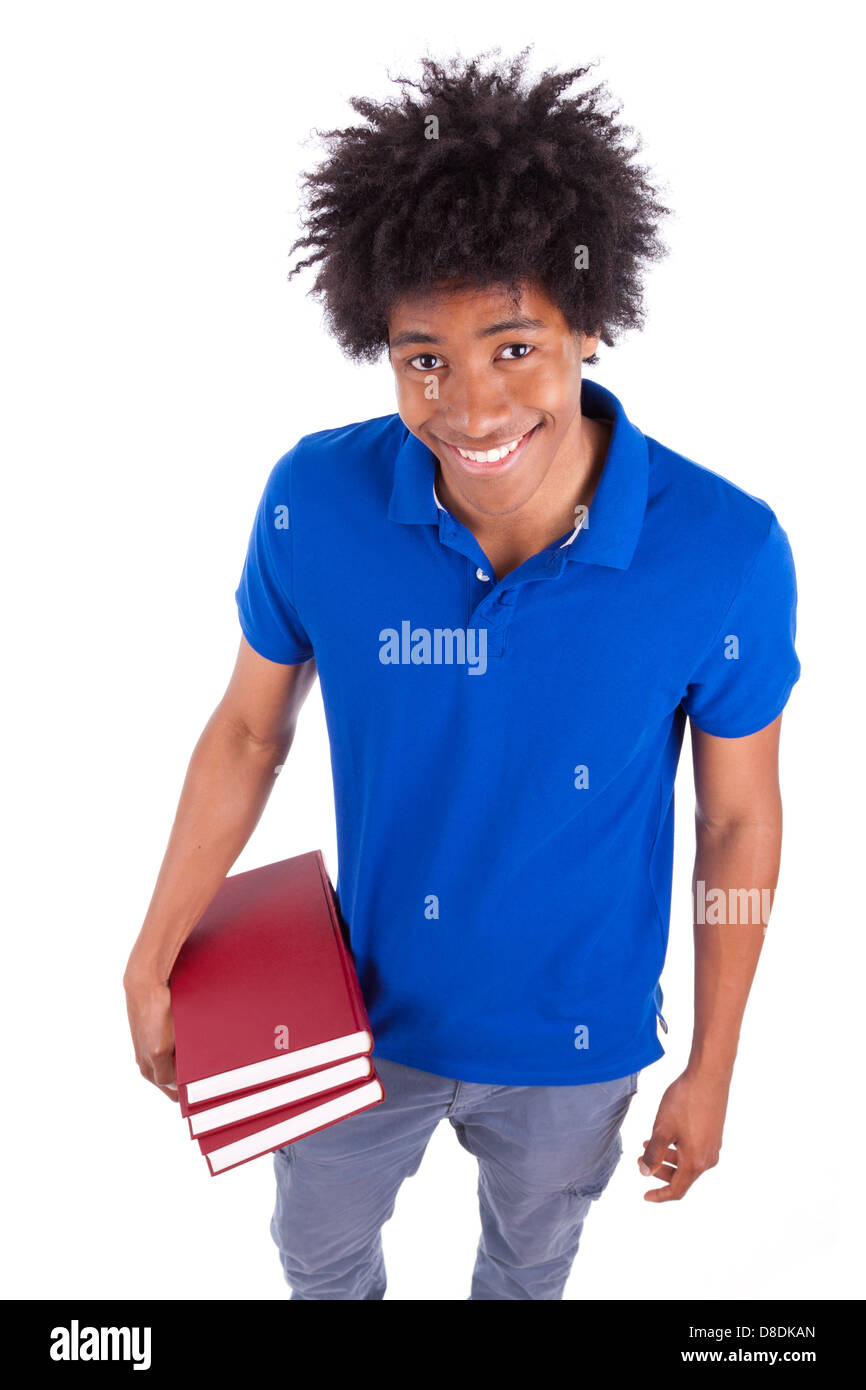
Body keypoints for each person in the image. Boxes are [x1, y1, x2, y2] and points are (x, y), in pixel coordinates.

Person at [123, 50, 801, 1300]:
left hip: (575, 1038)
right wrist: (154, 948)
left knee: (528, 1269)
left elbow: (738, 816)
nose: (469, 405)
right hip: (344, 1018)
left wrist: (714, 1061)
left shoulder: (723, 550)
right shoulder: (313, 504)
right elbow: (244, 736)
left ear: (589, 326)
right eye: (420, 357)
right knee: (319, 1263)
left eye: (512, 345)